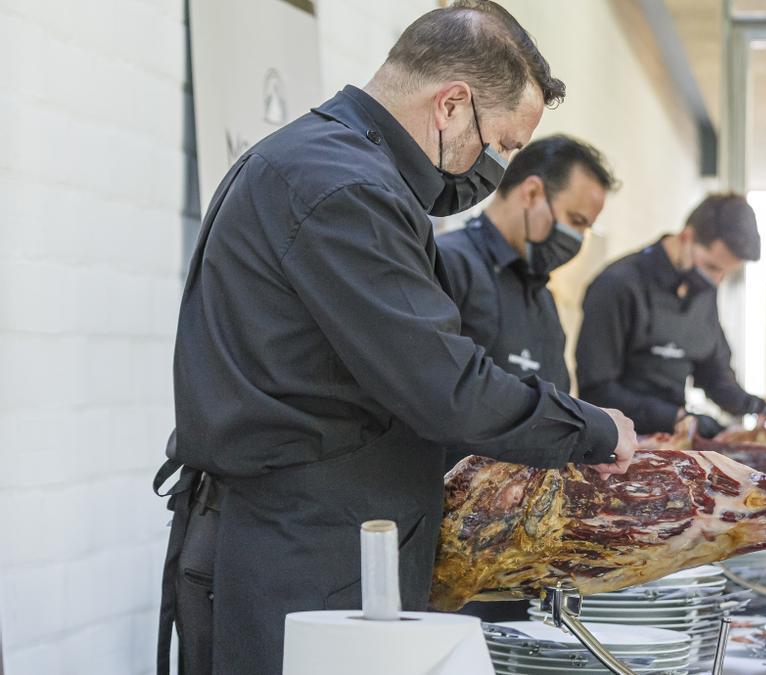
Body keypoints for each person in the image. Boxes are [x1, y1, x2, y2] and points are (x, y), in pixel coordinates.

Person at [153, 3, 637, 674]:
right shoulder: (342, 186)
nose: (493, 167)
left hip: (323, 546)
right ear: (450, 106)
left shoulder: (336, 165)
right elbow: (443, 385)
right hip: (300, 560)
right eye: (501, 143)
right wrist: (591, 428)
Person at [437, 134, 617, 622]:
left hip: (523, 557)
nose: (577, 239)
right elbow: (448, 401)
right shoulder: (448, 265)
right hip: (448, 558)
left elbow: (556, 405)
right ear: (532, 192)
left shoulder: (542, 298)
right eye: (576, 221)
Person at [575, 193, 766, 439]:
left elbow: (714, 373)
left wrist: (750, 404)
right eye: (712, 267)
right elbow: (597, 390)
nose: (716, 281)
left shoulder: (702, 289)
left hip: (672, 446)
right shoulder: (617, 285)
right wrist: (677, 417)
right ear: (687, 237)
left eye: (725, 273)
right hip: (616, 444)